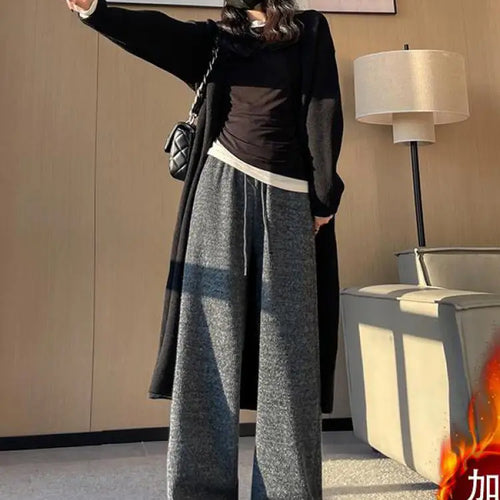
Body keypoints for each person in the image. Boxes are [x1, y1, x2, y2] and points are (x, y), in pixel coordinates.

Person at [66, 0, 344, 498]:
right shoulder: (219, 38)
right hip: (220, 188)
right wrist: (95, 11)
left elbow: (324, 109)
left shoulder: (309, 29)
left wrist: (324, 196)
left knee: (290, 355)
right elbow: (156, 33)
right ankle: (200, 489)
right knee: (208, 346)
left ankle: (287, 491)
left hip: (288, 199)